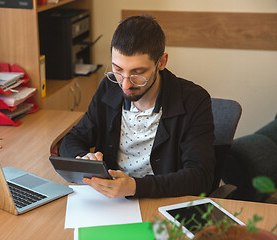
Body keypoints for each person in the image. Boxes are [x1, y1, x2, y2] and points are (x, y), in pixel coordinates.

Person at [59, 15, 215, 199]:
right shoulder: (109, 88)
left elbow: (200, 177)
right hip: (112, 202)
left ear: (162, 62)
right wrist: (83, 159)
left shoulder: (194, 100)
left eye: (138, 73)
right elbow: (72, 140)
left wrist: (135, 187)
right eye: (118, 70)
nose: (125, 85)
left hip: (163, 201)